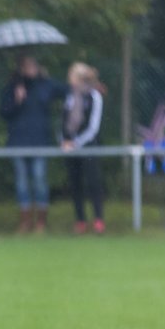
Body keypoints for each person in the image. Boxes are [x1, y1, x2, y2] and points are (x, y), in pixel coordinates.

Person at [0, 56, 69, 233]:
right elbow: (4, 112)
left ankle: (41, 222)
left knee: (39, 179)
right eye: (27, 66)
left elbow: (68, 91)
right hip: (18, 142)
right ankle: (25, 222)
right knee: (22, 182)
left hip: (40, 141)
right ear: (21, 69)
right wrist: (17, 100)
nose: (31, 69)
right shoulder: (12, 87)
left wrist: (89, 86)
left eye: (33, 66)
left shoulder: (46, 84)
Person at [61, 62, 106, 234]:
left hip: (89, 146)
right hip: (70, 147)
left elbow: (93, 127)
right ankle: (80, 220)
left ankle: (98, 220)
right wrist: (64, 140)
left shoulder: (94, 96)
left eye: (71, 76)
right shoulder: (70, 96)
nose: (69, 80)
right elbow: (64, 121)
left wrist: (77, 143)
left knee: (93, 182)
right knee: (75, 184)